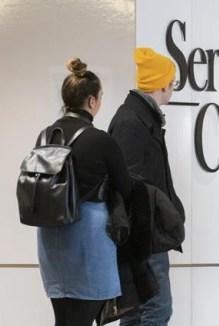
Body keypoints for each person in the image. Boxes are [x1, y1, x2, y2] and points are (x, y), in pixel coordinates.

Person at [36, 58, 133, 326]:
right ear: (91, 101)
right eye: (100, 97)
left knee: (64, 318)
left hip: (50, 235)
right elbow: (126, 187)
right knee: (82, 316)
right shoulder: (100, 140)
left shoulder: (45, 136)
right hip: (87, 236)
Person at [108, 47, 185, 325]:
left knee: (137, 311)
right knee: (156, 309)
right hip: (144, 237)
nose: (173, 87)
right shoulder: (132, 121)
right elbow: (127, 183)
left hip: (144, 234)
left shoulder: (140, 117)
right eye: (172, 81)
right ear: (162, 85)